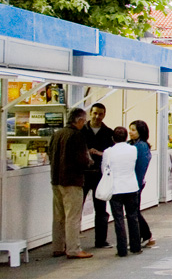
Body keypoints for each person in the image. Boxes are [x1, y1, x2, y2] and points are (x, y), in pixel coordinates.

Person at [49, 108, 93, 259]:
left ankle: (58, 246)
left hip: (56, 179)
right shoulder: (77, 136)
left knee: (58, 216)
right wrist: (89, 161)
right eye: (84, 121)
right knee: (73, 216)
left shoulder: (57, 134)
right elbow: (81, 160)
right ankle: (73, 249)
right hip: (72, 180)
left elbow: (50, 154)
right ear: (79, 121)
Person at [103, 127, 142, 257]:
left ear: (113, 138)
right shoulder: (133, 149)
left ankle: (122, 249)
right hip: (131, 186)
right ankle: (136, 246)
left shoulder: (108, 152)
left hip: (116, 188)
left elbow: (105, 169)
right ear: (126, 137)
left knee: (119, 219)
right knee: (133, 217)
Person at [81, 103, 114, 249]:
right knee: (76, 210)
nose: (97, 116)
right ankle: (72, 242)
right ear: (90, 113)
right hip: (82, 175)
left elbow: (112, 153)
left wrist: (100, 154)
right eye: (95, 113)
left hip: (100, 176)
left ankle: (101, 240)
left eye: (100, 114)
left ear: (104, 115)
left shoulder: (108, 133)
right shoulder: (81, 131)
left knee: (101, 209)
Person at [128, 120, 155, 248]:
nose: (130, 132)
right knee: (133, 212)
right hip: (131, 183)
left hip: (135, 184)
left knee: (134, 212)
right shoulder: (131, 144)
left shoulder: (141, 146)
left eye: (133, 130)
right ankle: (141, 236)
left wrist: (136, 186)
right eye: (130, 129)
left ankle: (146, 235)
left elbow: (141, 168)